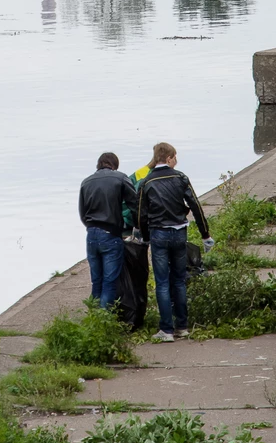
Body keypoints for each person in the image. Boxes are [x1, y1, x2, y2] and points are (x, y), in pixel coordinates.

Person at [137, 142, 214, 342]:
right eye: (175, 157)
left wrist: (145, 238)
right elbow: (195, 206)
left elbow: (141, 215)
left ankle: (166, 330)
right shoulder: (181, 178)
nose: (177, 161)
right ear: (169, 158)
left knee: (162, 282)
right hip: (180, 233)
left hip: (158, 234)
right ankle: (182, 327)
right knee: (179, 280)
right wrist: (205, 234)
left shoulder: (146, 182)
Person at [79, 152, 137, 309]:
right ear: (115, 165)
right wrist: (136, 226)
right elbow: (135, 205)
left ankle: (94, 316)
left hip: (91, 234)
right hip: (110, 234)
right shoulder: (121, 178)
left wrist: (91, 226)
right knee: (109, 282)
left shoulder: (86, 182)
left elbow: (82, 212)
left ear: (98, 164)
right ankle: (104, 318)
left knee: (96, 281)